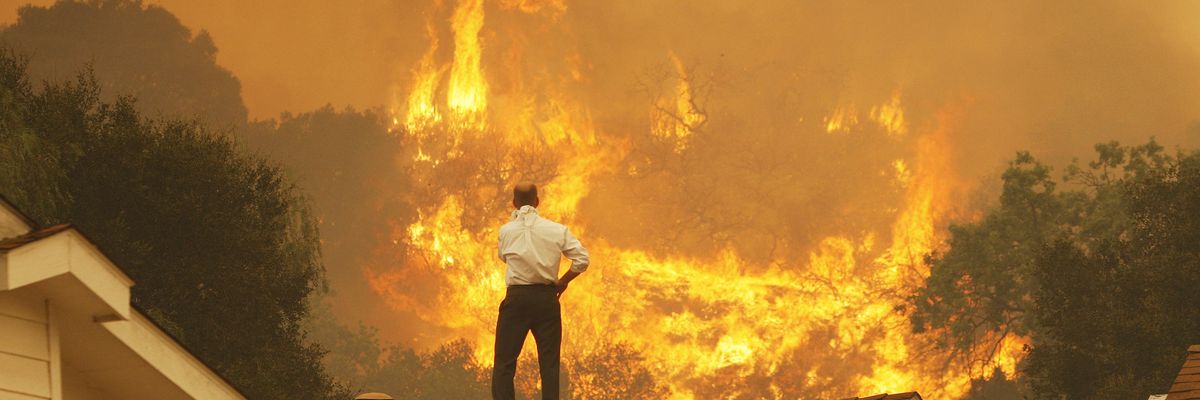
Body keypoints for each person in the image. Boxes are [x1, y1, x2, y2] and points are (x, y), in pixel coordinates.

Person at [492, 183, 589, 400]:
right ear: (537, 202)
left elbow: (504, 257)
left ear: (514, 203)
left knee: (504, 363)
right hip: (546, 299)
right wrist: (563, 281)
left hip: (516, 299)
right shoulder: (557, 230)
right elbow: (582, 260)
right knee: (549, 364)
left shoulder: (506, 231)